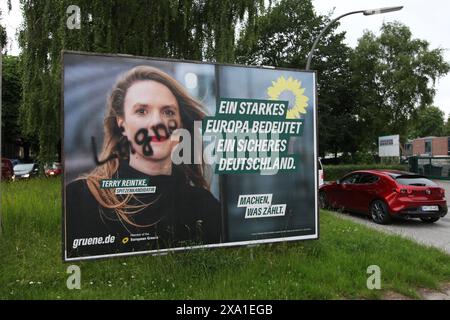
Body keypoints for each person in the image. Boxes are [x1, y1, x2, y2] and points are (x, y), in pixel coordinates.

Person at [65, 65, 221, 258]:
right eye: (141, 111)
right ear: (122, 124)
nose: (157, 122)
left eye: (168, 112)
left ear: (181, 124)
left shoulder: (204, 205)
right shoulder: (80, 199)